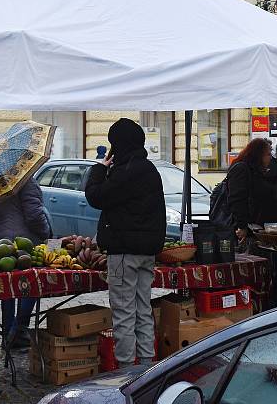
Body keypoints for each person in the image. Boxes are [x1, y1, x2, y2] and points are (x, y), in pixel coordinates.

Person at [85, 118, 166, 368]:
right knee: (143, 311)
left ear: (117, 144)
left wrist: (99, 169)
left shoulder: (125, 171)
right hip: (146, 252)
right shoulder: (149, 169)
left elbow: (97, 196)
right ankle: (145, 366)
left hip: (124, 253)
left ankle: (126, 373)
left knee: (123, 314)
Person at [227, 136, 277, 307]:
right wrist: (244, 224)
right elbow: (243, 197)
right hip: (263, 226)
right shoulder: (264, 166)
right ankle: (263, 302)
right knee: (263, 266)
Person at [0, 177, 51, 348]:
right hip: (24, 243)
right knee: (30, 286)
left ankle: (8, 331)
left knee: (7, 288)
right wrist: (45, 231)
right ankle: (18, 330)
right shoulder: (26, 181)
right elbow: (34, 215)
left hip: (0, 243)